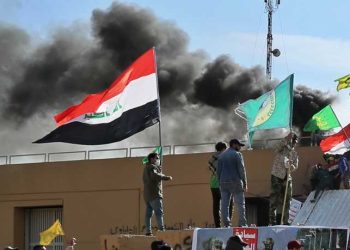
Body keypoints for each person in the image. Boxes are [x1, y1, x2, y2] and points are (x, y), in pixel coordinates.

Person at [269, 132, 299, 225]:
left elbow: (295, 166)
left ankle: (286, 221)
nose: (293, 143)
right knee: (274, 200)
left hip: (287, 178)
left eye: (295, 142)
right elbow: (275, 148)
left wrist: (290, 166)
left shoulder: (294, 154)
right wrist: (286, 138)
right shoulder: (282, 148)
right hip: (276, 176)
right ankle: (272, 222)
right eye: (292, 141)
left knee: (288, 200)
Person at [217, 139, 248, 227]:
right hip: (235, 181)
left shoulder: (221, 156)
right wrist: (245, 183)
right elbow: (241, 170)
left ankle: (226, 224)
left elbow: (218, 172)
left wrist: (220, 182)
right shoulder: (237, 154)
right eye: (239, 145)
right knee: (240, 204)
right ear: (234, 145)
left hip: (223, 182)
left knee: (224, 204)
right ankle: (242, 224)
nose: (240, 148)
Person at [143, 152, 173, 236]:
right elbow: (155, 176)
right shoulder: (152, 167)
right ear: (152, 159)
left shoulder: (146, 168)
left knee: (148, 214)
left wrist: (158, 169)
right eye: (156, 158)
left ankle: (148, 231)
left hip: (147, 195)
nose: (157, 160)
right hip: (154, 194)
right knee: (159, 213)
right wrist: (166, 177)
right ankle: (161, 230)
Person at [208, 142, 233, 228]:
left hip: (213, 184)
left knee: (216, 205)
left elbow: (211, 168)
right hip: (224, 183)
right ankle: (227, 224)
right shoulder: (226, 156)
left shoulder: (212, 158)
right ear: (224, 148)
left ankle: (217, 225)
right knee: (228, 203)